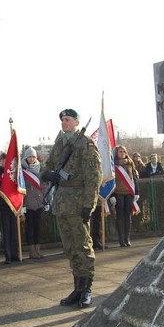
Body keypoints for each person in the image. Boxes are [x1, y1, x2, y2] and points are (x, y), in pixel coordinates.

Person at [41, 109, 102, 308]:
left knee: (83, 246)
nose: (63, 122)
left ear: (77, 122)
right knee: (70, 247)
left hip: (77, 202)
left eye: (67, 120)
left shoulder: (85, 144)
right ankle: (77, 288)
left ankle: (87, 289)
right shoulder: (60, 144)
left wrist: (89, 204)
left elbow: (94, 176)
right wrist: (48, 174)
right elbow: (46, 166)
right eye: (62, 120)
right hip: (61, 202)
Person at [0, 152, 19, 264]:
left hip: (13, 205)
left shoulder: (14, 173)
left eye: (7, 160)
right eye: (3, 160)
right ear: (1, 161)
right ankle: (7, 254)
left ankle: (15, 254)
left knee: (14, 230)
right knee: (6, 230)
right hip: (3, 205)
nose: (5, 162)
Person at [110, 145, 139, 247]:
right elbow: (111, 181)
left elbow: (134, 179)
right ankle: (121, 239)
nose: (122, 153)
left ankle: (127, 238)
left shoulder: (130, 164)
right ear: (117, 154)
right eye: (120, 152)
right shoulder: (113, 165)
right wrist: (112, 195)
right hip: (118, 193)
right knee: (120, 216)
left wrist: (137, 192)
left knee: (128, 216)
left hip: (129, 193)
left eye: (124, 151)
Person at [22, 147, 47, 259]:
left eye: (33, 157)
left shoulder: (40, 170)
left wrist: (46, 200)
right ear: (26, 158)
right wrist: (21, 205)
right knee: (29, 227)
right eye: (29, 157)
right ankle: (31, 250)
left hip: (39, 202)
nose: (31, 159)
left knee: (37, 227)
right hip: (27, 203)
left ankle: (38, 249)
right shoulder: (22, 171)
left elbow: (44, 186)